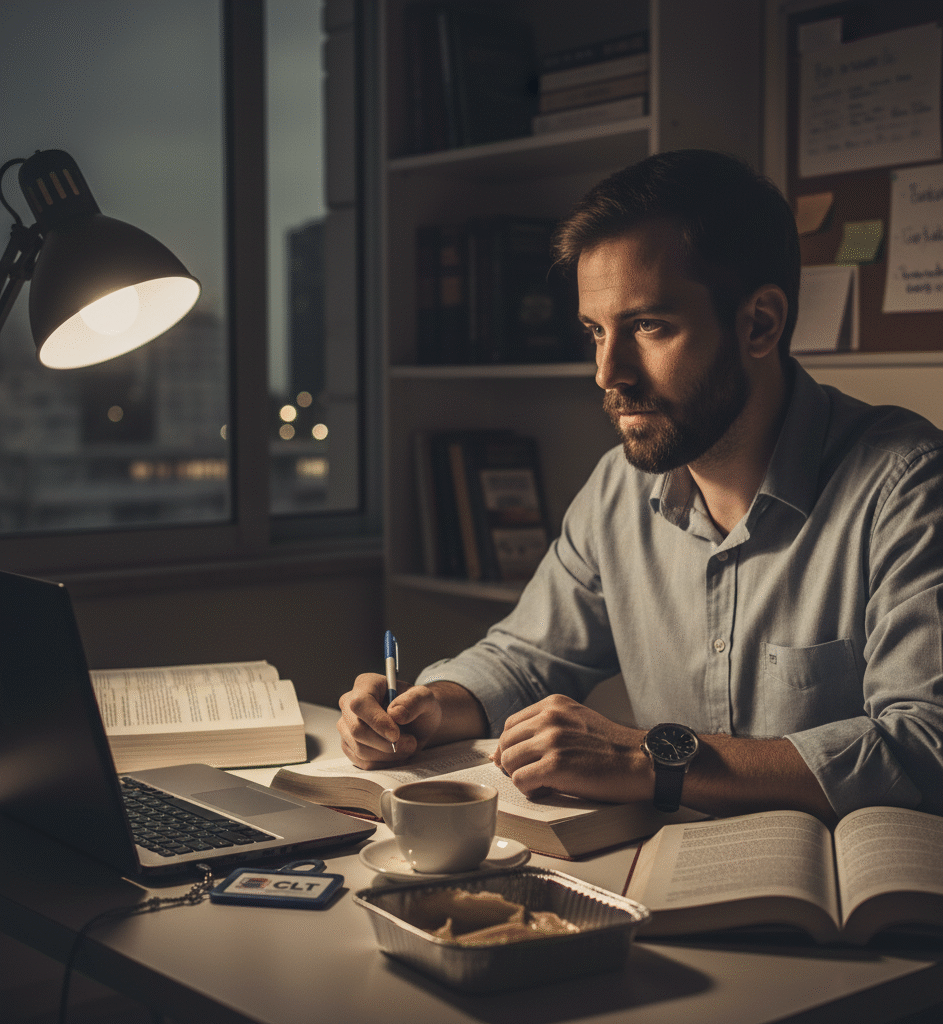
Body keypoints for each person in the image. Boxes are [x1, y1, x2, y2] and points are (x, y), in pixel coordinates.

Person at [338, 149, 943, 825]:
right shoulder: (618, 488)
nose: (607, 372)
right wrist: (430, 707)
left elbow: (925, 746)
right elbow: (527, 657)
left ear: (759, 323)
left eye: (648, 326)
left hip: (853, 908)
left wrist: (649, 762)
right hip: (666, 877)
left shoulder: (907, 484)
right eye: (595, 331)